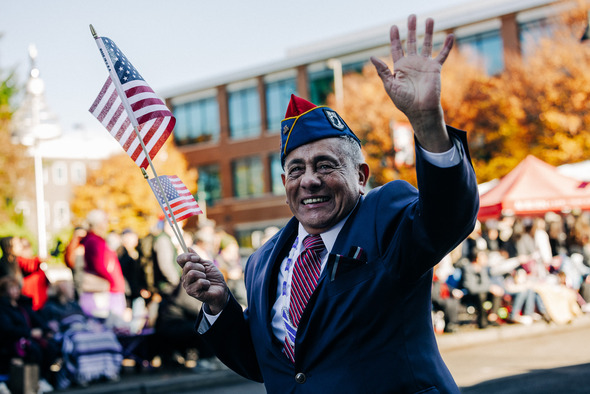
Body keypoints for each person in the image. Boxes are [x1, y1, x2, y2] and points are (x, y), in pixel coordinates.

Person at [178, 15, 479, 393]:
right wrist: (220, 305)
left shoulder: (386, 216)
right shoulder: (261, 262)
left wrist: (427, 123)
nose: (309, 180)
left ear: (361, 176)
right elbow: (268, 364)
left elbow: (448, 217)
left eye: (325, 165)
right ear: (285, 183)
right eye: (296, 169)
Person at [79, 209, 126, 320]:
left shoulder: (94, 240)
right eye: (105, 221)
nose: (106, 224)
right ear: (99, 223)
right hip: (105, 290)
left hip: (108, 288)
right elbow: (98, 265)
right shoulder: (94, 241)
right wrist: (112, 280)